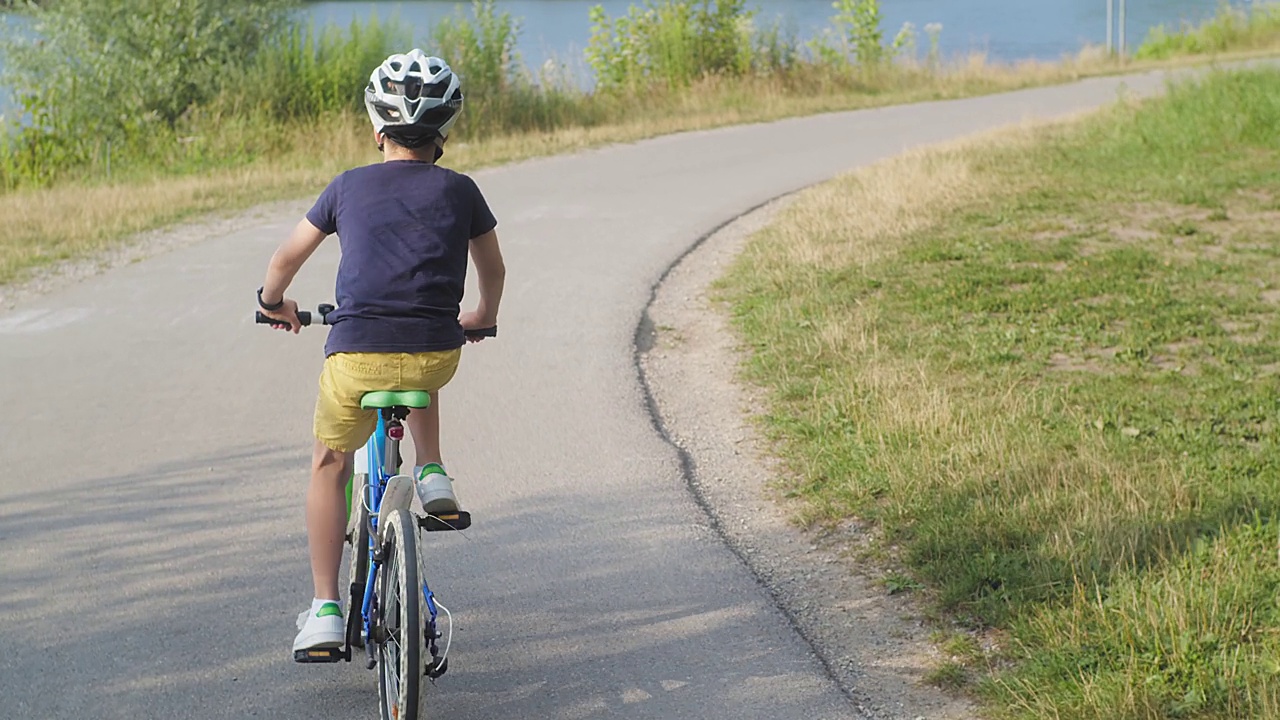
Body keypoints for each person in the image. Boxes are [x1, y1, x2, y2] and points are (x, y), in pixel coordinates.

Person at [255, 49, 506, 656]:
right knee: (420, 355)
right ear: (445, 131)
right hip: (435, 353)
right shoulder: (462, 190)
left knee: (329, 462)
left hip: (355, 358)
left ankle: (324, 608)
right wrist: (481, 317)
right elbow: (493, 268)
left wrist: (272, 302)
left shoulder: (346, 186)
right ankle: (432, 471)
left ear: (377, 129)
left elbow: (286, 259)